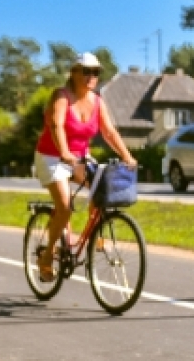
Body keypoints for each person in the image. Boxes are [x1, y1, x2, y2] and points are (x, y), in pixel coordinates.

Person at [34, 53, 137, 278]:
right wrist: (64, 152)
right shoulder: (61, 97)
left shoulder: (97, 102)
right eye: (86, 71)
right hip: (52, 156)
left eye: (96, 72)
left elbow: (109, 132)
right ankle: (48, 254)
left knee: (102, 189)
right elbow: (56, 126)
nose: (92, 76)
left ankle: (92, 236)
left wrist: (127, 156)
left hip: (79, 157)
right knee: (64, 205)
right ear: (74, 72)